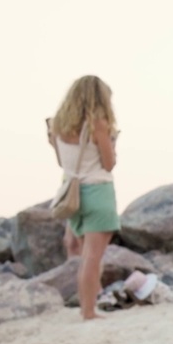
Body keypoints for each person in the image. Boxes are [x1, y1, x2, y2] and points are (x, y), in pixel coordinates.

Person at [48, 76, 120, 320]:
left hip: (73, 193)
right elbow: (109, 164)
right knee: (93, 256)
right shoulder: (97, 124)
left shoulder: (58, 126)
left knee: (85, 255)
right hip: (97, 190)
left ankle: (89, 306)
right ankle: (88, 311)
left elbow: (62, 162)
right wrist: (112, 142)